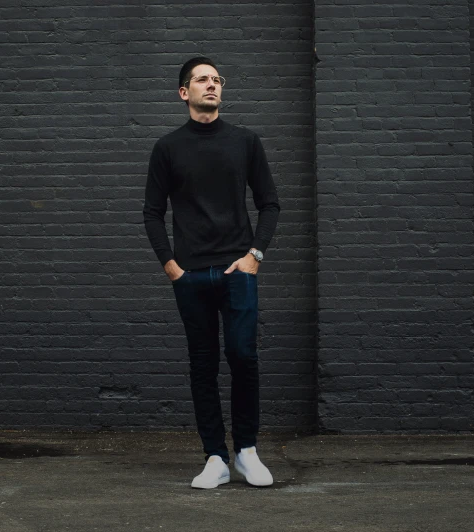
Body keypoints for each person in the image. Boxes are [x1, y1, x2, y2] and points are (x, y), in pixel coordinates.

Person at [143, 57, 281, 489]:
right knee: (202, 365)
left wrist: (255, 254)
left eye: (217, 79)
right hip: (191, 276)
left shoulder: (245, 142)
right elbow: (151, 213)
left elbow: (270, 203)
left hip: (238, 270)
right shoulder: (168, 148)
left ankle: (247, 451)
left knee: (243, 356)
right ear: (184, 92)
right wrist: (172, 267)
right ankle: (216, 457)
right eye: (202, 80)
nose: (212, 85)